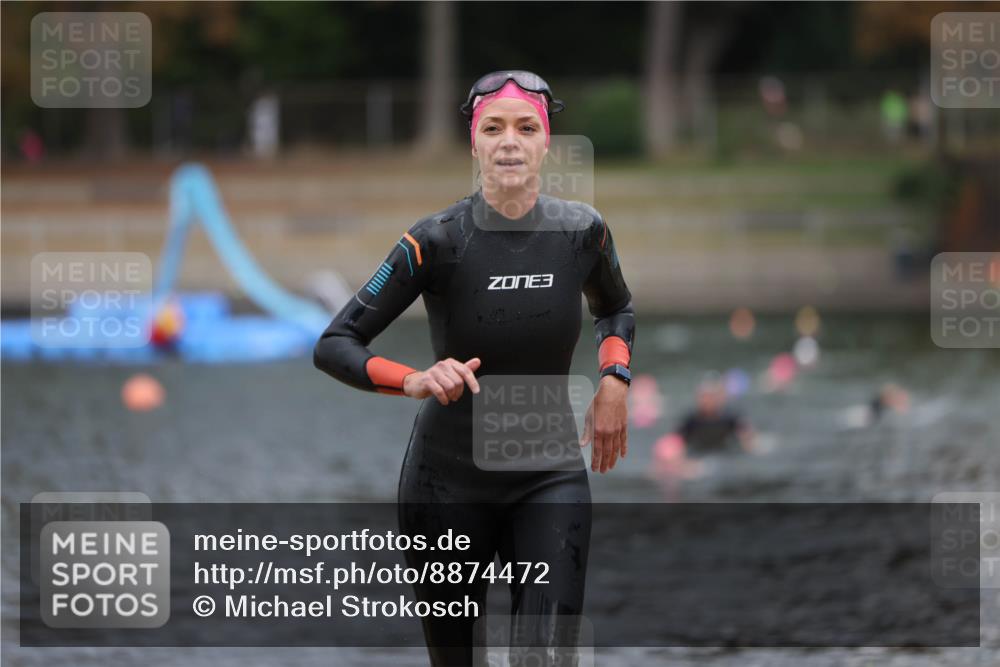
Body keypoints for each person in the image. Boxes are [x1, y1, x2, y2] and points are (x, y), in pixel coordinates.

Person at [313, 70, 636, 666]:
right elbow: (336, 342)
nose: (509, 141)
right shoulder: (435, 241)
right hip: (446, 485)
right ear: (475, 144)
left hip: (549, 477)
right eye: (493, 128)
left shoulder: (582, 233)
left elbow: (615, 308)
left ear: (546, 142)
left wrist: (614, 380)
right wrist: (413, 379)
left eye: (526, 128)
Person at [675, 374, 753, 454]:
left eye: (710, 397)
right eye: (704, 397)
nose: (707, 401)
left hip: (725, 453)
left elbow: (748, 438)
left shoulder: (730, 417)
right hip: (698, 453)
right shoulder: (691, 420)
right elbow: (675, 442)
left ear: (719, 398)